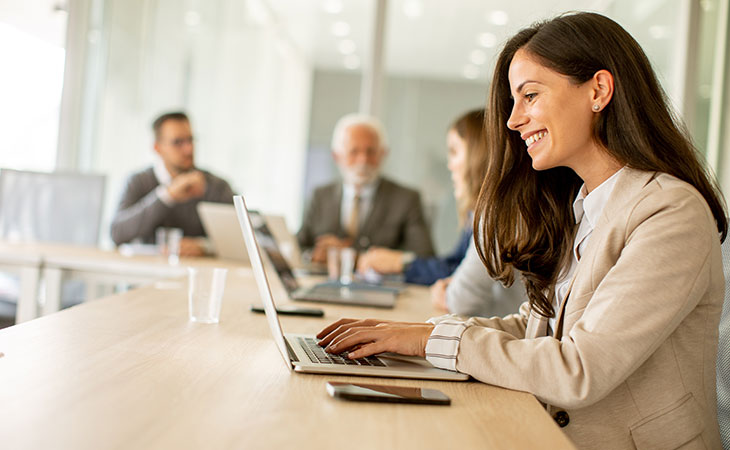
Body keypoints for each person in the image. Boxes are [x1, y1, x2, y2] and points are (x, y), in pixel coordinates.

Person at [316, 12, 726, 449]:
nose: (513, 121)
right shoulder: (584, 205)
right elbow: (536, 329)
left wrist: (435, 340)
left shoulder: (670, 212)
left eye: (529, 95)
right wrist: (415, 335)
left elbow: (579, 369)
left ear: (599, 91)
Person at [356, 109, 486, 285]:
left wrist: (398, 262)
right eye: (354, 152)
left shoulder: (490, 217)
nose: (450, 165)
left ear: (478, 155)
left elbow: (458, 274)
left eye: (454, 152)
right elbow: (456, 266)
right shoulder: (475, 213)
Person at [297, 114, 434, 263]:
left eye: (371, 152)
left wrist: (352, 257)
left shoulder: (406, 199)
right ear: (337, 156)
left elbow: (425, 258)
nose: (363, 160)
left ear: (383, 154)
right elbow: (298, 247)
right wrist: (314, 255)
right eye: (354, 152)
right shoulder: (321, 196)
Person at [111, 112, 234, 256]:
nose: (189, 149)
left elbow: (240, 239)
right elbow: (117, 234)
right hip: (146, 273)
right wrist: (167, 196)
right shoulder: (138, 181)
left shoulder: (216, 186)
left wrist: (204, 246)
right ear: (157, 148)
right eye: (178, 142)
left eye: (190, 140)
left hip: (198, 274)